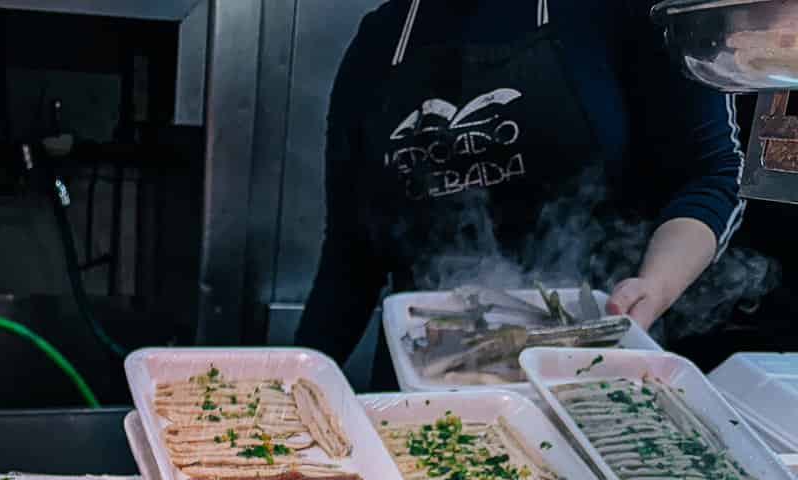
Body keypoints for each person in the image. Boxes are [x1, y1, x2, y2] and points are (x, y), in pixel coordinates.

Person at [295, 0, 746, 369]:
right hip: (423, 381)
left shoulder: (628, 11)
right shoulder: (380, 41)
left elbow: (714, 173)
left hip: (592, 366)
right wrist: (293, 379)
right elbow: (350, 254)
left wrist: (656, 285)